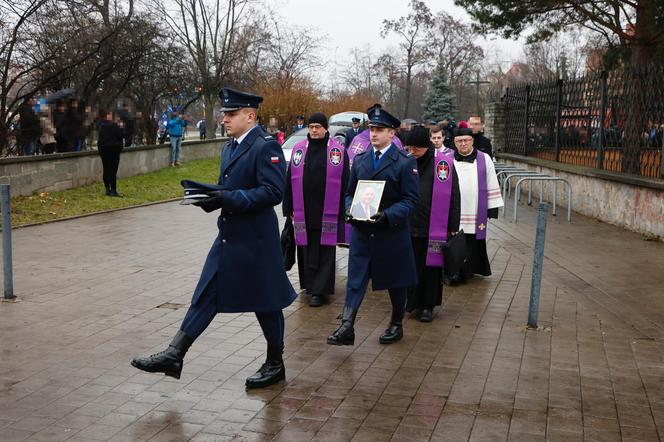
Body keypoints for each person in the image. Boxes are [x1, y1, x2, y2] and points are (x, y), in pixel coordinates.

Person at [131, 87, 297, 389]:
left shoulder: (265, 147)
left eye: (231, 114)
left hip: (257, 240)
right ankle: (175, 353)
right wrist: (210, 197)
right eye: (224, 114)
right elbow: (230, 190)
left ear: (250, 115)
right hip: (230, 236)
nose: (225, 119)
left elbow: (273, 192)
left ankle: (275, 363)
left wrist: (228, 198)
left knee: (267, 302)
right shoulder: (230, 147)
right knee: (207, 292)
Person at [327, 104, 419, 346]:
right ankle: (347, 326)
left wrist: (387, 215)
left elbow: (411, 201)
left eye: (379, 129)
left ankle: (396, 323)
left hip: (390, 232)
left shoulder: (404, 162)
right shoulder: (359, 160)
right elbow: (349, 192)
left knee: (395, 281)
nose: (373, 134)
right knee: (355, 279)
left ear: (392, 133)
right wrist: (349, 208)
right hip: (362, 232)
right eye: (371, 129)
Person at [283, 112, 349, 307]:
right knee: (305, 249)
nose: (314, 130)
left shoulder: (337, 151)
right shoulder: (298, 149)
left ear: (325, 128)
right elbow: (289, 180)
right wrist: (288, 208)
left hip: (327, 210)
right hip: (303, 209)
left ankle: (320, 290)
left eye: (317, 127)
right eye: (311, 127)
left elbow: (345, 180)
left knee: (324, 250)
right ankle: (309, 286)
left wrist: (342, 210)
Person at [405, 125, 460, 322]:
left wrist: (453, 225)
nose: (412, 152)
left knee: (430, 268)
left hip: (433, 225)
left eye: (416, 149)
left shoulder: (443, 164)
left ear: (426, 146)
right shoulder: (406, 162)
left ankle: (428, 305)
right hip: (409, 224)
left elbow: (454, 195)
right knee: (410, 266)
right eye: (409, 148)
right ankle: (411, 302)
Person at [452, 121, 503, 281]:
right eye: (460, 141)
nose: (463, 143)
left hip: (475, 209)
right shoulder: (447, 159)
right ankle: (454, 270)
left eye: (466, 140)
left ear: (472, 140)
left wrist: (492, 208)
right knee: (454, 241)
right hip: (454, 209)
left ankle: (470, 270)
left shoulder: (484, 158)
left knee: (472, 242)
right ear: (455, 143)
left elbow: (492, 181)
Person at [96, 110, 124, 197]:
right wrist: (121, 127)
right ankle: (113, 190)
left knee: (106, 168)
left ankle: (107, 188)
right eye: (110, 114)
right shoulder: (114, 126)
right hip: (113, 149)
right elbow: (121, 135)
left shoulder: (100, 125)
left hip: (103, 149)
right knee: (113, 170)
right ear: (107, 115)